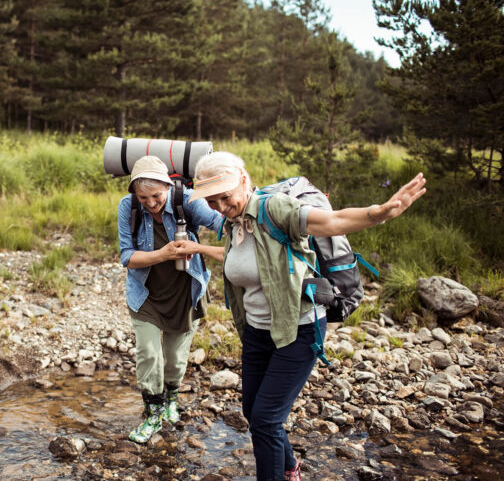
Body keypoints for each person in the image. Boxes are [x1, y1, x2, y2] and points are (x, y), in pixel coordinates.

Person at [189, 152, 426, 481]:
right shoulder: (233, 222)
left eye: (224, 197)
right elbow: (242, 262)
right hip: (257, 333)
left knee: (266, 420)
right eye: (211, 201)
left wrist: (380, 213)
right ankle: (289, 468)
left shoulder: (275, 210)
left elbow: (332, 221)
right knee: (252, 411)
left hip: (298, 330)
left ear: (243, 180)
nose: (219, 207)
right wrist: (199, 249)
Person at [117, 155, 225, 443]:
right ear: (134, 194)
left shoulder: (186, 201)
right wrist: (163, 254)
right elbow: (127, 257)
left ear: (168, 186)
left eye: (156, 196)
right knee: (149, 354)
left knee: (176, 359)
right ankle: (153, 414)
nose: (151, 203)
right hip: (146, 295)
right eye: (144, 197)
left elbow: (219, 221)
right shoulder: (128, 208)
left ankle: (172, 399)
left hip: (185, 292)